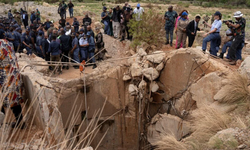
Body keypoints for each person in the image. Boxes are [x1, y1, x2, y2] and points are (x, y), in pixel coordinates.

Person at [0, 39, 25, 129]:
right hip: (14, 77)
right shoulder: (6, 42)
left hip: (5, 79)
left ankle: (1, 124)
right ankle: (20, 123)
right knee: (14, 101)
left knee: (1, 102)